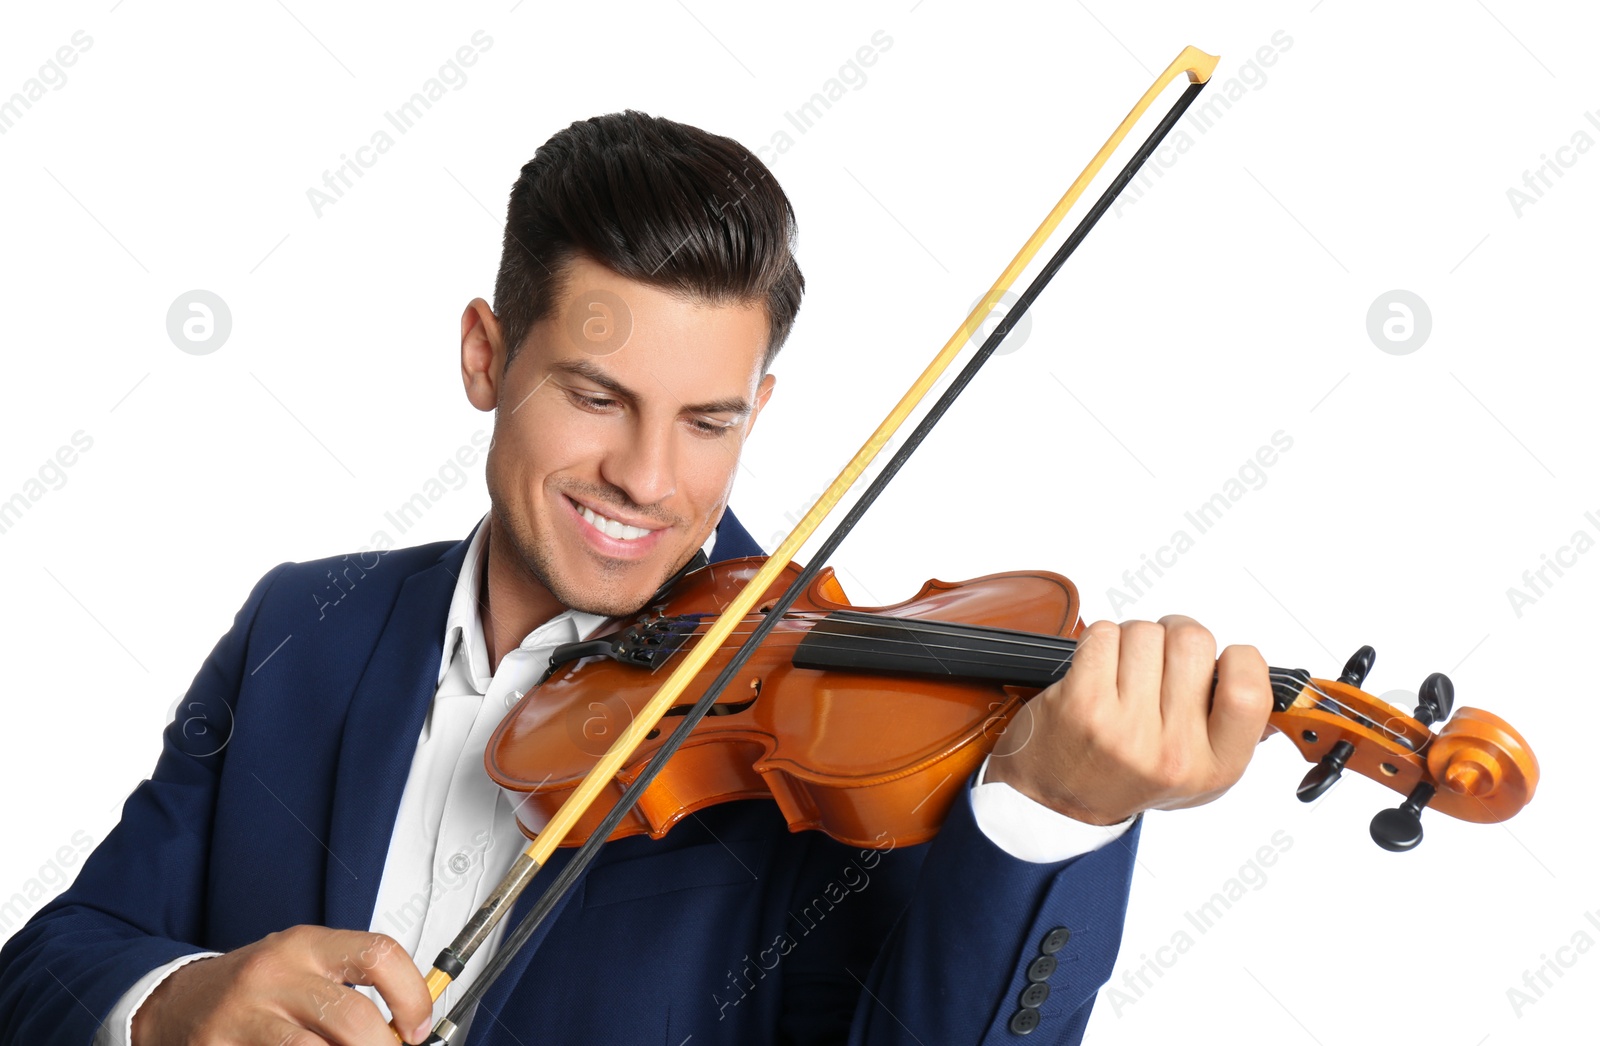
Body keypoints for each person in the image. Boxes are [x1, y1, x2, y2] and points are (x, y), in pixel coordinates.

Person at [0, 110, 1272, 1045]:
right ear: (486, 354)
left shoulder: (817, 737)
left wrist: (1058, 814)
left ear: (760, 405)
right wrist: (171, 1005)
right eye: (597, 397)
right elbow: (51, 960)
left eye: (709, 420)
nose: (647, 479)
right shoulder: (303, 626)